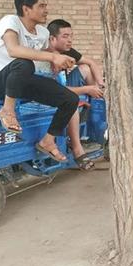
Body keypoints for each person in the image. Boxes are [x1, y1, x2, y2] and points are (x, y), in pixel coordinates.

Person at [0, 0, 78, 162]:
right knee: (24, 63)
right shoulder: (10, 21)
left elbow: (45, 51)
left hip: (21, 82)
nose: (46, 10)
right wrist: (53, 57)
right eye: (41, 6)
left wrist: (59, 59)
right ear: (26, 9)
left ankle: (48, 141)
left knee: (70, 99)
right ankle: (7, 111)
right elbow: (14, 50)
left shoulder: (43, 33)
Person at [39, 19, 105, 170]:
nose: (70, 40)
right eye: (65, 36)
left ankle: (94, 110)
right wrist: (87, 89)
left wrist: (99, 84)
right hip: (45, 93)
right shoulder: (44, 57)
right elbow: (56, 89)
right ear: (52, 39)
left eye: (71, 36)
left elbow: (91, 63)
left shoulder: (66, 51)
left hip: (61, 86)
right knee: (71, 102)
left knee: (85, 68)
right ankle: (77, 148)